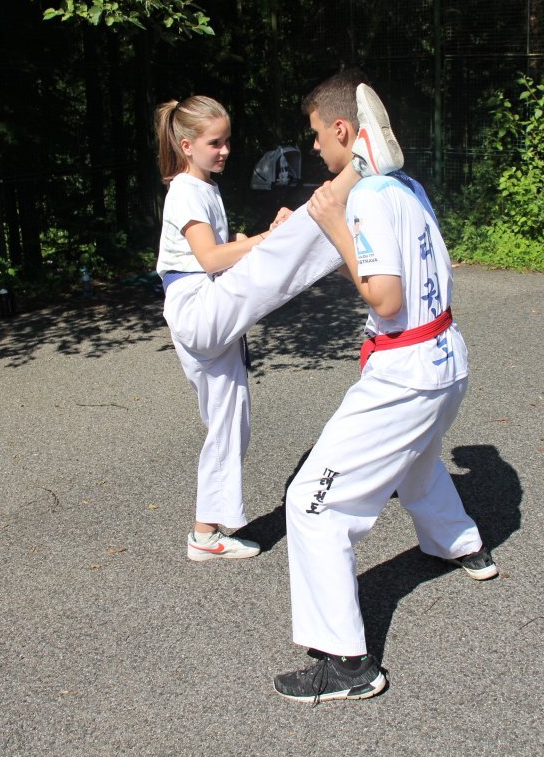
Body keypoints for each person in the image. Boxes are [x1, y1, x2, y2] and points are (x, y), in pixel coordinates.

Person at [272, 73, 498, 703]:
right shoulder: (407, 188)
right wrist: (318, 225)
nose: (314, 145)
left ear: (343, 130)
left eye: (317, 134)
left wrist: (338, 225)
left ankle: (347, 664)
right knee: (416, 458)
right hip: (446, 362)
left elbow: (385, 297)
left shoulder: (367, 198)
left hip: (405, 375)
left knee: (311, 505)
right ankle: (462, 546)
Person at [153, 94, 402, 562]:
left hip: (204, 306)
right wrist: (270, 238)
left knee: (230, 423)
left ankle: (205, 535)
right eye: (215, 143)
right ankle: (359, 168)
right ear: (186, 146)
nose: (225, 150)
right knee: (281, 255)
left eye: (227, 141)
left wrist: (260, 237)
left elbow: (222, 250)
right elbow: (209, 258)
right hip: (197, 306)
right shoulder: (185, 190)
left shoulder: (204, 188)